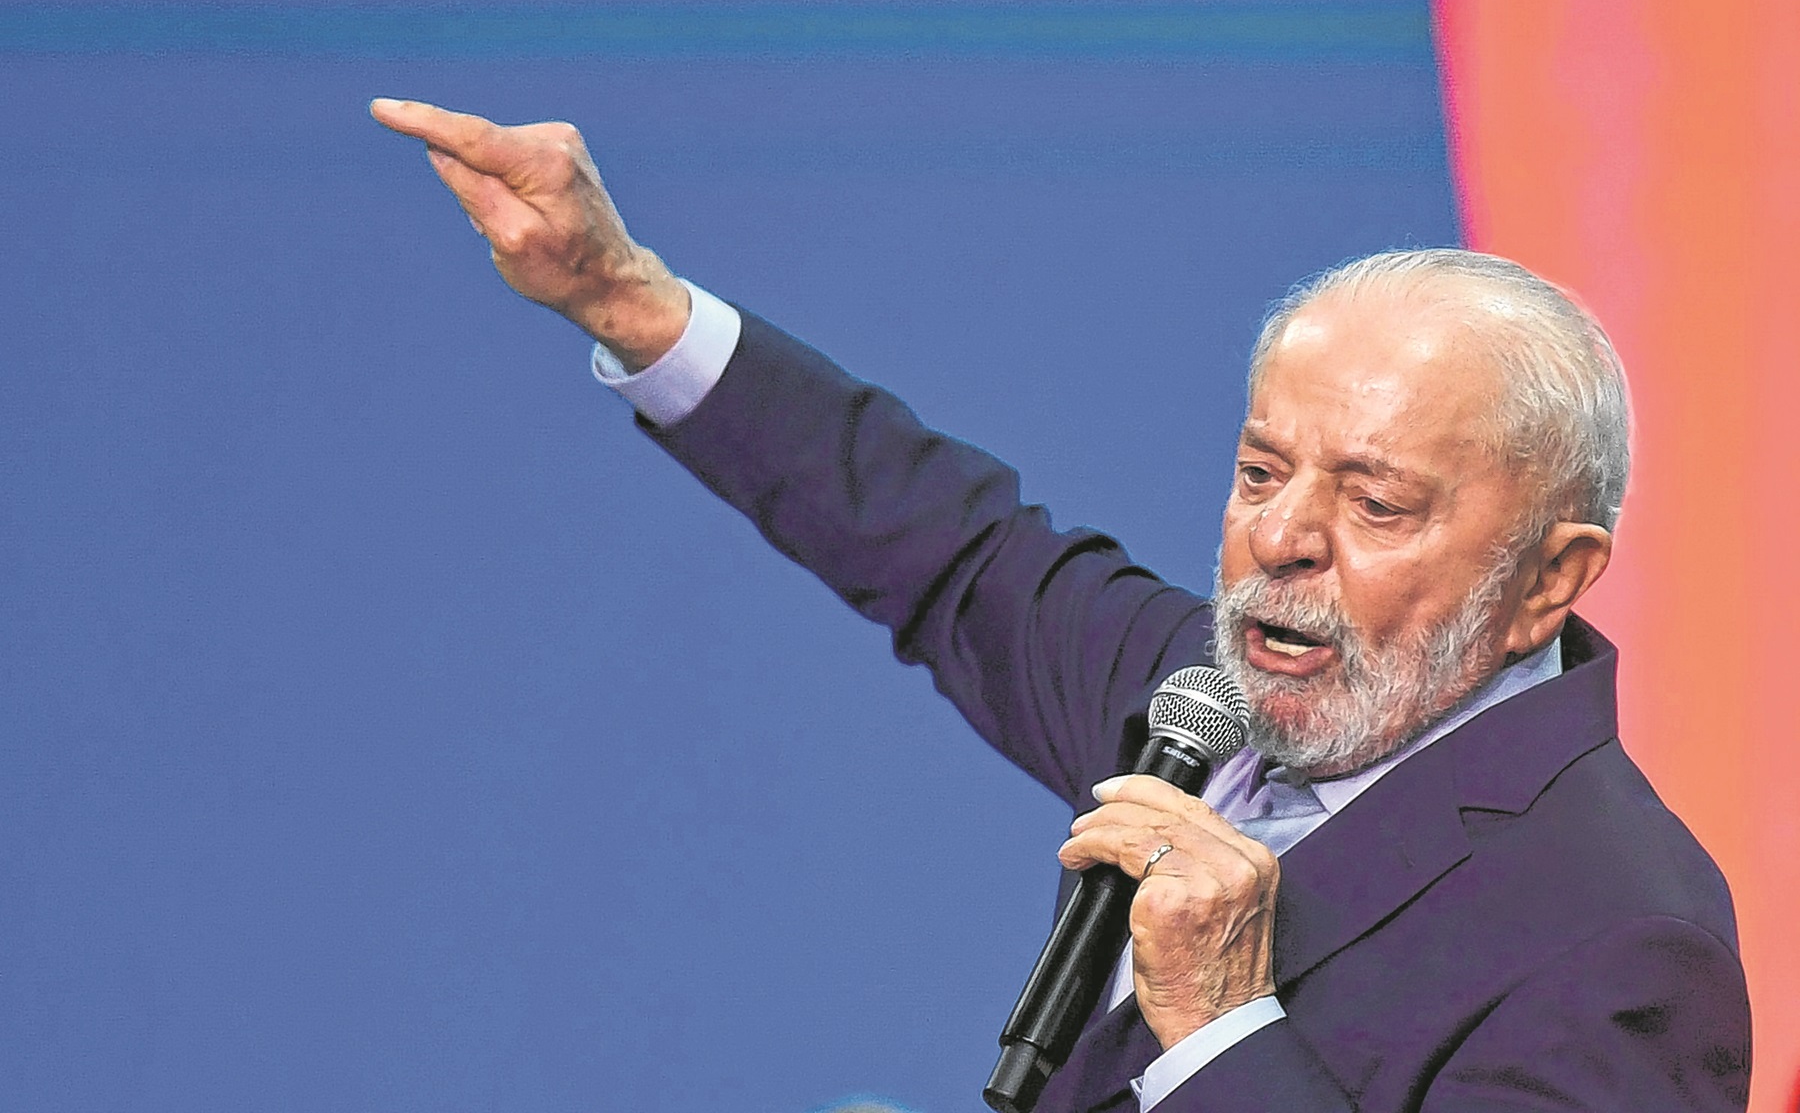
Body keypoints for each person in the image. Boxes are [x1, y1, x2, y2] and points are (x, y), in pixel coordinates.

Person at [367, 99, 1752, 1111]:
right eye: (1260, 469)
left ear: (1548, 582)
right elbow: (953, 553)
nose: (1280, 536)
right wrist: (631, 302)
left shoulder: (1624, 938)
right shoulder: (1196, 705)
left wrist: (1218, 1030)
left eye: (1376, 505)